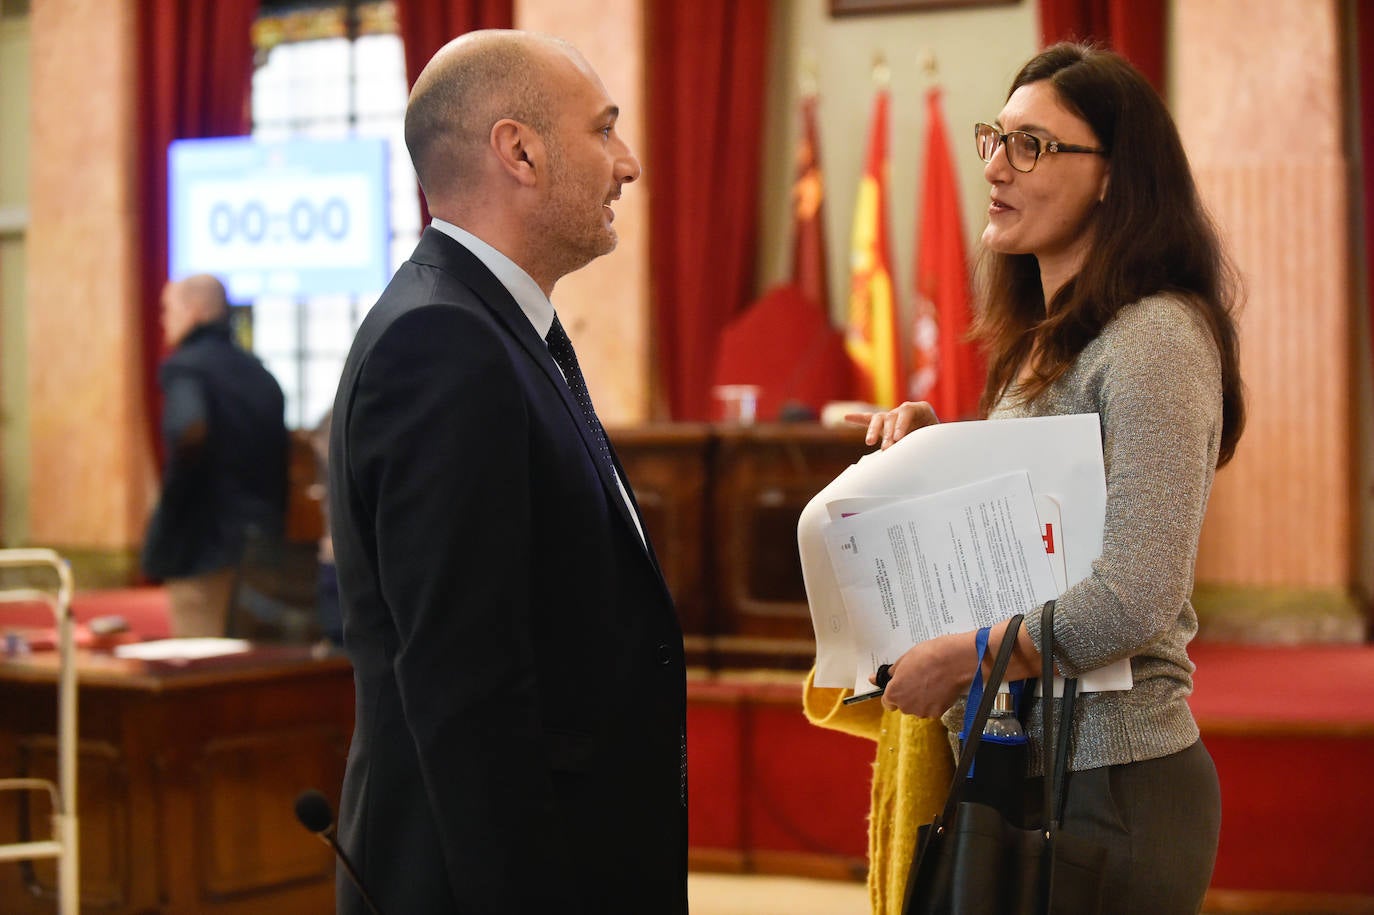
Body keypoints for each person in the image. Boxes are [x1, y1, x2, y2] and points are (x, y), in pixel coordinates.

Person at [805, 42, 1244, 914]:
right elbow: (1035, 541)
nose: (997, 168)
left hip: (1112, 782)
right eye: (994, 140)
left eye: (1033, 146)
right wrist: (932, 461)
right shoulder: (1043, 343)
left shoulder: (1155, 336)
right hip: (1024, 767)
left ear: (1115, 178)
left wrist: (963, 657)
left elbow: (1134, 596)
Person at [327, 30, 686, 914]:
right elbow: (465, 685)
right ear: (520, 150)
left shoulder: (489, 326)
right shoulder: (443, 342)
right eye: (604, 130)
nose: (627, 163)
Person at [141, 274, 288, 638]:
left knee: (201, 678)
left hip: (202, 551)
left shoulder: (185, 367)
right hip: (264, 555)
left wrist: (167, 521)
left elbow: (190, 431)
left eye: (168, 309)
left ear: (193, 311)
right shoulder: (262, 375)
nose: (162, 319)